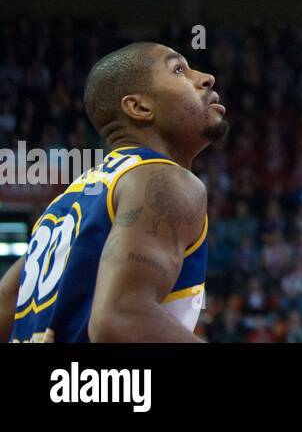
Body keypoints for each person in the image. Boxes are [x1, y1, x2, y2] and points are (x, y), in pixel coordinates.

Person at [1, 43, 228, 343]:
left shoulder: (68, 201)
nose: (206, 78)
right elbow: (121, 318)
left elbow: (6, 295)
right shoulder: (164, 180)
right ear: (139, 107)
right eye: (178, 70)